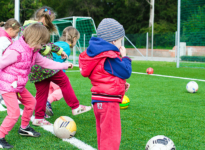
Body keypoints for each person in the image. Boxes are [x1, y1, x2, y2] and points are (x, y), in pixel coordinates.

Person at [0, 23, 73, 149]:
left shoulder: (33, 51)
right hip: (7, 86)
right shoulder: (15, 51)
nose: (43, 46)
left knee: (31, 103)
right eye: (42, 43)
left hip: (18, 85)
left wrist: (64, 65)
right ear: (35, 40)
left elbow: (46, 63)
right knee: (14, 113)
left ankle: (24, 128)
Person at [20, 6, 91, 126]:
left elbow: (46, 44)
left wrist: (59, 51)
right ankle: (75, 106)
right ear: (44, 18)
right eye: (50, 20)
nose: (50, 23)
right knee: (64, 81)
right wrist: (50, 50)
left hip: (35, 69)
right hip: (44, 65)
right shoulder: (37, 27)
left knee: (42, 92)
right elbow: (40, 46)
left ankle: (38, 118)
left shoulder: (27, 26)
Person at [79, 18, 132, 150]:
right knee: (111, 137)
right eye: (120, 40)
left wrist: (121, 84)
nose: (121, 44)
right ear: (113, 40)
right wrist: (124, 57)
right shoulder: (109, 56)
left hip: (98, 101)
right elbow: (125, 71)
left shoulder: (97, 54)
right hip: (109, 103)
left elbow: (104, 75)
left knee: (103, 135)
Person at [45, 26, 80, 118]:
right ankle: (47, 102)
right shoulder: (66, 47)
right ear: (74, 38)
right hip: (54, 72)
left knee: (49, 90)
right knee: (61, 89)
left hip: (45, 71)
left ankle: (43, 109)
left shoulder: (57, 43)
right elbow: (56, 59)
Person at [0, 19, 20, 111]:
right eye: (16, 32)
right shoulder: (4, 39)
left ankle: (4, 99)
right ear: (10, 29)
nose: (16, 35)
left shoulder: (5, 35)